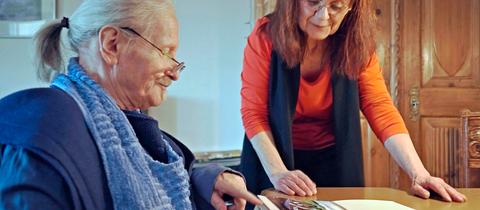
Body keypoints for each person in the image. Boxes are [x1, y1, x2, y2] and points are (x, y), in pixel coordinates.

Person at [0, 0, 262, 209]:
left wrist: (208, 179)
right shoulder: (44, 134)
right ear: (112, 44)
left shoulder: (127, 124)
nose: (175, 71)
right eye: (166, 52)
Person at [239, 0, 466, 205]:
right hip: (272, 155)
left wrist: (419, 173)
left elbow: (379, 107)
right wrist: (278, 172)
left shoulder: (357, 43)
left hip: (332, 157)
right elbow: (254, 113)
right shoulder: (264, 37)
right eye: (312, 3)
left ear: (351, 7)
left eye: (335, 6)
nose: (323, 16)